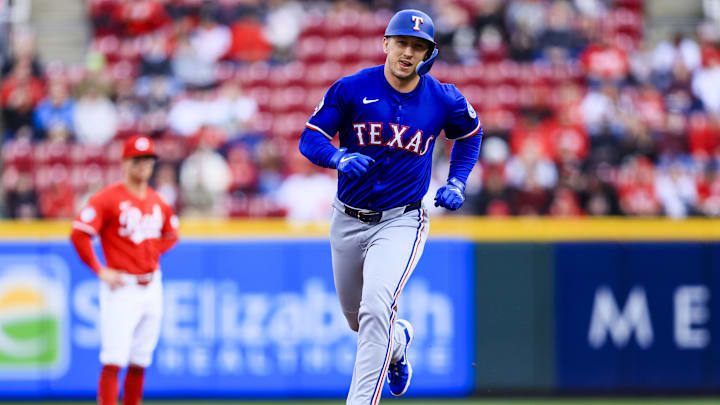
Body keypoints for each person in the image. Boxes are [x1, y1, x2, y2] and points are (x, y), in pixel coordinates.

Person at [298, 9, 482, 404]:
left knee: (376, 307)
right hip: (347, 217)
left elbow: (470, 133)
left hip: (402, 220)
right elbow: (310, 137)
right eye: (402, 43)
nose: (408, 53)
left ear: (428, 53)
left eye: (418, 47)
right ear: (385, 43)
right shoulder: (351, 88)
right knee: (358, 319)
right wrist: (337, 158)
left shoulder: (443, 98)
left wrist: (457, 180)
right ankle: (397, 345)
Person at [69, 135, 179, 405]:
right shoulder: (108, 197)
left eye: (148, 160)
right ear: (125, 162)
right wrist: (99, 269)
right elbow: (79, 233)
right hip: (122, 287)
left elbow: (172, 233)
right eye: (137, 160)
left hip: (152, 285)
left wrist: (153, 250)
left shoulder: (157, 200)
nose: (143, 165)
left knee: (140, 360)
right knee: (114, 359)